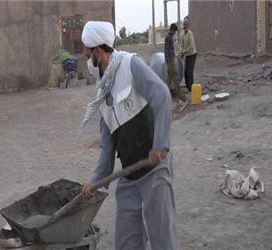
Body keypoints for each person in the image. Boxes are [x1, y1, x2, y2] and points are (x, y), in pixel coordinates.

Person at [80, 21, 177, 250]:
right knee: (126, 241)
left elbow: (162, 96)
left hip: (154, 168)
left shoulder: (130, 65)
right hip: (129, 175)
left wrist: (160, 145)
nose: (86, 61)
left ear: (98, 52)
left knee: (162, 237)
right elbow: (107, 149)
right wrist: (95, 183)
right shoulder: (102, 92)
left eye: (87, 55)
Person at [165, 23, 185, 101]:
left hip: (171, 59)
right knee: (175, 76)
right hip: (170, 61)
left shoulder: (170, 37)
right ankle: (179, 94)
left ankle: (166, 92)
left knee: (169, 78)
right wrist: (168, 62)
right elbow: (166, 50)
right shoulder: (168, 37)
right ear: (172, 30)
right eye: (174, 31)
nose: (175, 33)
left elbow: (170, 50)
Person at [180, 18, 197, 92]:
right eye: (184, 24)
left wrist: (185, 52)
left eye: (186, 24)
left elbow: (191, 45)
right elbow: (182, 45)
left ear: (188, 25)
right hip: (187, 55)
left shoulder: (190, 33)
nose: (185, 25)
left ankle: (191, 88)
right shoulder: (183, 35)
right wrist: (182, 52)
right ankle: (187, 86)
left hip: (192, 54)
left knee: (190, 71)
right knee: (186, 71)